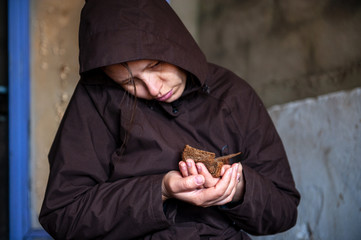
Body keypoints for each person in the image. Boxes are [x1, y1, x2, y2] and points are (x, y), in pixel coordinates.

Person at [39, 0, 300, 239]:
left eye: (154, 65)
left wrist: (238, 190)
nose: (153, 88)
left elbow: (285, 210)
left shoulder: (233, 95)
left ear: (176, 44)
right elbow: (63, 214)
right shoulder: (97, 98)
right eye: (129, 82)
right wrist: (160, 191)